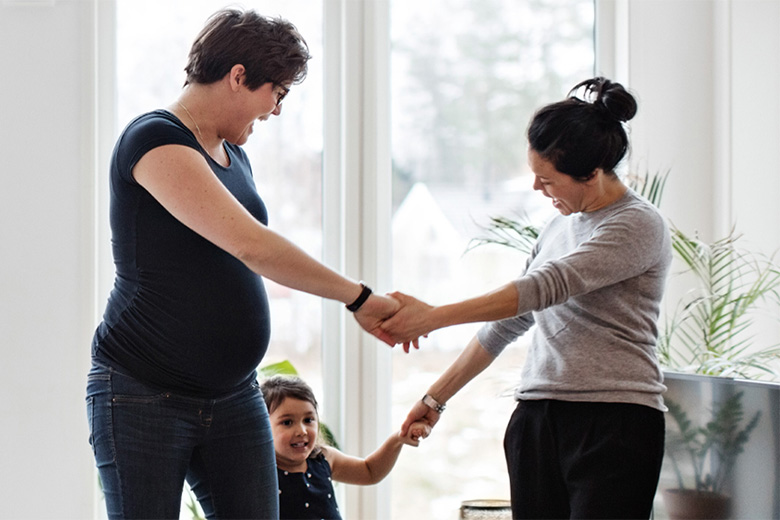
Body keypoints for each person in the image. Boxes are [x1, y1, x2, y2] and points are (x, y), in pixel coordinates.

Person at [85, 8, 401, 520]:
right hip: (144, 392)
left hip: (233, 393)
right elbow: (252, 246)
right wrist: (360, 298)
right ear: (238, 77)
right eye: (276, 92)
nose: (276, 109)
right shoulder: (155, 140)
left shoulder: (234, 155)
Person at [382, 77, 672, 519]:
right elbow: (510, 322)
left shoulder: (637, 225)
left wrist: (433, 317)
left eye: (547, 179)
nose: (538, 189)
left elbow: (545, 286)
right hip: (537, 418)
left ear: (591, 175)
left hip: (614, 422)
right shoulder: (558, 227)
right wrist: (435, 397)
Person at [260, 375, 430, 520]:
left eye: (308, 420)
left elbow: (370, 471)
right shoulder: (260, 471)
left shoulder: (323, 457)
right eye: (287, 422)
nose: (302, 431)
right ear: (262, 426)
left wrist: (397, 440)